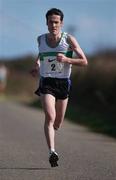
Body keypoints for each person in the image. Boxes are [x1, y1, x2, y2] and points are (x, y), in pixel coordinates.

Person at [31, 8, 88, 167]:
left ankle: (53, 131)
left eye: (56, 22)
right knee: (49, 116)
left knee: (57, 123)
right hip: (47, 82)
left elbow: (84, 61)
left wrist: (67, 60)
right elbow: (41, 54)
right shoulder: (40, 39)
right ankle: (52, 151)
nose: (53, 25)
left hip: (63, 83)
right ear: (46, 23)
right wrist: (37, 65)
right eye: (51, 22)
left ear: (61, 23)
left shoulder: (69, 40)